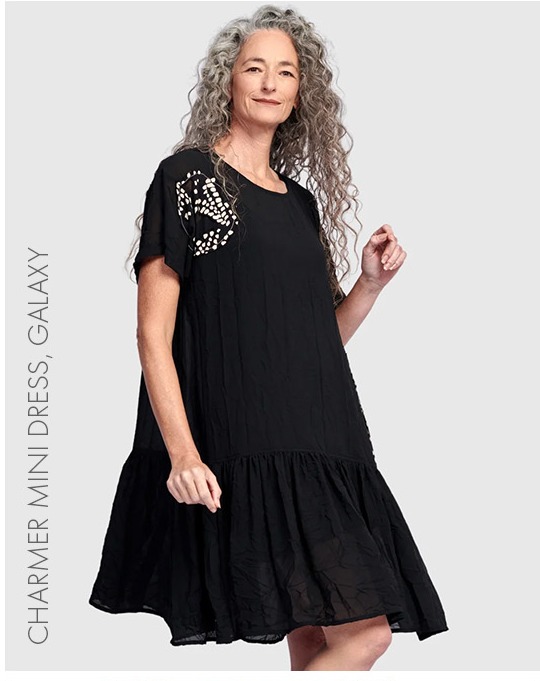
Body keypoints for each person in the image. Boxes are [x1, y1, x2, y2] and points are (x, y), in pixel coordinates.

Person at [88, 4, 448, 671]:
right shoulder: (188, 178)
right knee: (366, 634)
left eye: (286, 71)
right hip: (247, 441)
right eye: (255, 68)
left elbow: (313, 342)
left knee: (319, 636)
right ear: (227, 80)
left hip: (327, 439)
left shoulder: (300, 203)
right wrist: (183, 453)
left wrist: (368, 286)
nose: (270, 82)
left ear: (301, 92)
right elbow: (151, 334)